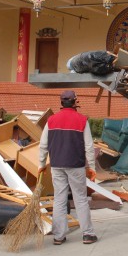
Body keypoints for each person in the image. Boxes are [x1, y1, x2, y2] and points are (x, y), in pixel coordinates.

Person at [38, 90, 98, 245]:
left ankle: (59, 236)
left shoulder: (51, 120)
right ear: (75, 101)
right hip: (75, 165)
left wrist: (41, 164)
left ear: (61, 102)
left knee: (59, 199)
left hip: (56, 165)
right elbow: (89, 147)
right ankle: (88, 234)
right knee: (80, 199)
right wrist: (91, 167)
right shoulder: (82, 120)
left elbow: (43, 145)